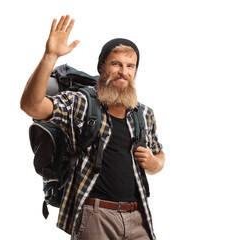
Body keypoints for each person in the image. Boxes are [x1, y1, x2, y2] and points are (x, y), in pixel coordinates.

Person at [21, 15, 165, 240]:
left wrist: (155, 162)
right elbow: (32, 106)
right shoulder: (81, 103)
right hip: (95, 215)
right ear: (102, 68)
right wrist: (50, 56)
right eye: (116, 64)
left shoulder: (144, 114)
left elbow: (159, 156)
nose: (123, 71)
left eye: (130, 66)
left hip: (138, 215)